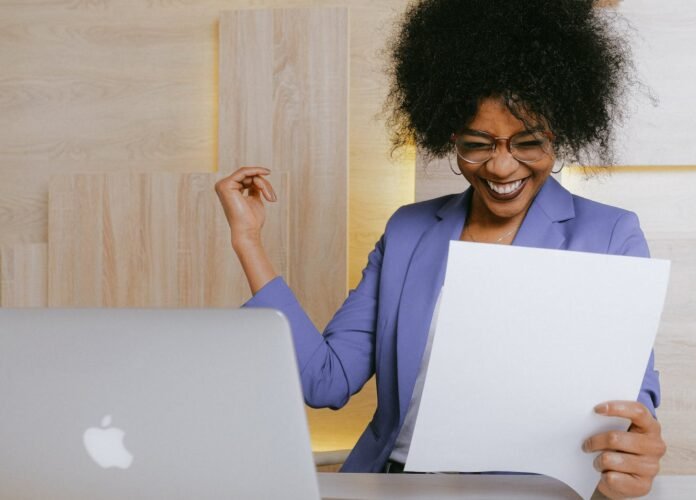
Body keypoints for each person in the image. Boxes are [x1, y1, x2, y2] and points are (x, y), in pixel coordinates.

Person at [215, 0, 666, 497]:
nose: (500, 167)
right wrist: (248, 241)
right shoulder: (409, 231)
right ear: (450, 137)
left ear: (559, 135)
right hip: (393, 486)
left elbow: (632, 397)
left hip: (529, 493)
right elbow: (325, 381)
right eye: (479, 143)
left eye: (527, 142)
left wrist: (632, 449)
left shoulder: (609, 237)